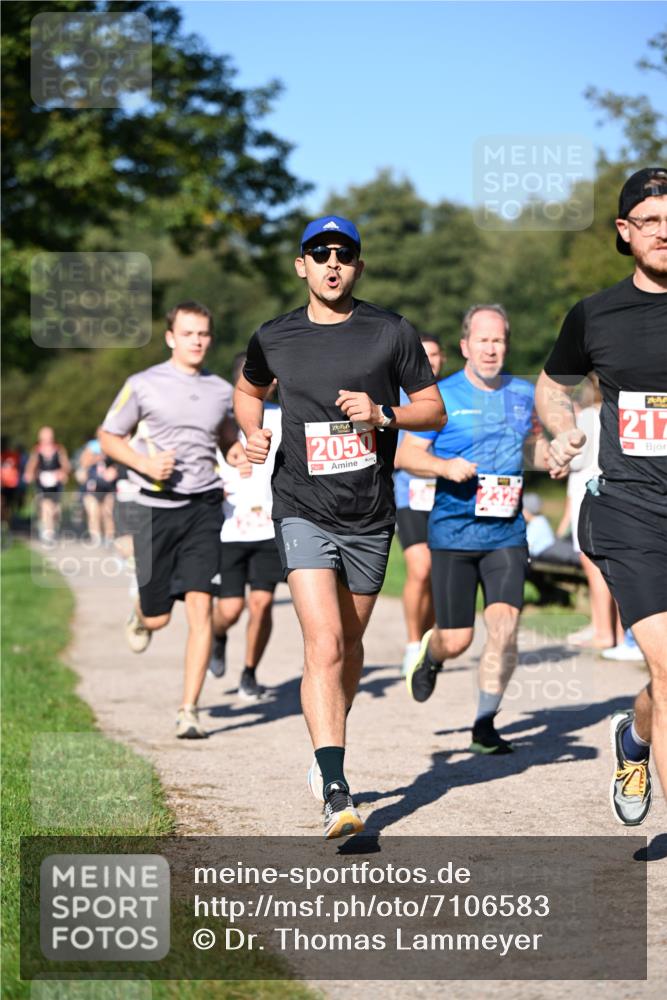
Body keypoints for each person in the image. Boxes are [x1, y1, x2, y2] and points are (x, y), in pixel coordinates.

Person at [234, 215, 445, 838]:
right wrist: (253, 433)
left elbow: (432, 409)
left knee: (348, 649)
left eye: (344, 255)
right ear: (301, 265)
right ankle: (336, 788)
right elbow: (248, 391)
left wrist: (384, 414)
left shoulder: (391, 332)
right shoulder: (274, 336)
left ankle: (326, 744)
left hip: (369, 516)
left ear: (358, 266)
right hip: (301, 506)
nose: (332, 263)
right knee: (323, 644)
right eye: (319, 254)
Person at [535, 166, 667, 826]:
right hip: (629, 511)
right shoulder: (595, 314)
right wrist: (561, 432)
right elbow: (551, 386)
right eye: (649, 221)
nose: (663, 232)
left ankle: (633, 738)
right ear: (624, 231)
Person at [396, 304, 551, 754]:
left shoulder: (523, 395)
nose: (491, 348)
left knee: (504, 629)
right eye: (482, 340)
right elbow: (407, 457)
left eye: (499, 340)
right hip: (453, 532)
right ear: (465, 346)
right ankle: (433, 654)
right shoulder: (440, 396)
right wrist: (445, 467)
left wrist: (554, 457)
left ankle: (485, 724)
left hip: (505, 532)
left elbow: (537, 450)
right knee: (458, 638)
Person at [98, 301, 239, 740]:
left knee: (202, 609)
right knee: (159, 619)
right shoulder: (142, 384)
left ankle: (188, 709)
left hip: (203, 508)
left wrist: (238, 453)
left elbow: (226, 439)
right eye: (189, 333)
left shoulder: (220, 390)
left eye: (204, 334)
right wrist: (143, 463)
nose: (197, 341)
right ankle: (142, 613)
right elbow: (108, 436)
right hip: (155, 510)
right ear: (170, 337)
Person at [208, 352, 283, 701]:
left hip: (269, 528)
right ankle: (217, 635)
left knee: (262, 604)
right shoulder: (219, 424)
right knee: (230, 609)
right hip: (229, 529)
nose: (265, 386)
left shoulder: (284, 418)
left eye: (268, 380)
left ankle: (250, 672)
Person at [394, 334, 445, 674]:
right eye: (424, 355)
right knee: (421, 568)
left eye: (436, 354)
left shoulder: (453, 396)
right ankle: (414, 643)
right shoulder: (398, 398)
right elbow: (394, 454)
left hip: (447, 496)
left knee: (440, 574)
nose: (431, 361)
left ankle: (430, 640)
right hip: (408, 494)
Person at [23, 427, 70, 542]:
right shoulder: (37, 450)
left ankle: (50, 527)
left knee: (56, 510)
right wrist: (29, 474)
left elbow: (66, 466)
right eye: (45, 437)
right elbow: (31, 465)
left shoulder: (59, 449)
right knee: (46, 506)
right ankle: (48, 533)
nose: (47, 439)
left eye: (49, 436)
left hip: (56, 485)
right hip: (42, 484)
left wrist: (62, 473)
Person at [75, 434, 118, 545]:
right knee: (94, 513)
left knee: (108, 513)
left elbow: (118, 464)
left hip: (108, 487)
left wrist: (114, 470)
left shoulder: (114, 446)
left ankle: (109, 537)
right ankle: (96, 537)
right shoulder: (92, 446)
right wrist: (97, 457)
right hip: (92, 488)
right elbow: (83, 462)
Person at [523, 492, 580, 566]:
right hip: (552, 548)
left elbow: (528, 546)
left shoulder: (536, 524)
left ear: (527, 511)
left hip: (548, 550)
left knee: (575, 555)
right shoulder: (540, 520)